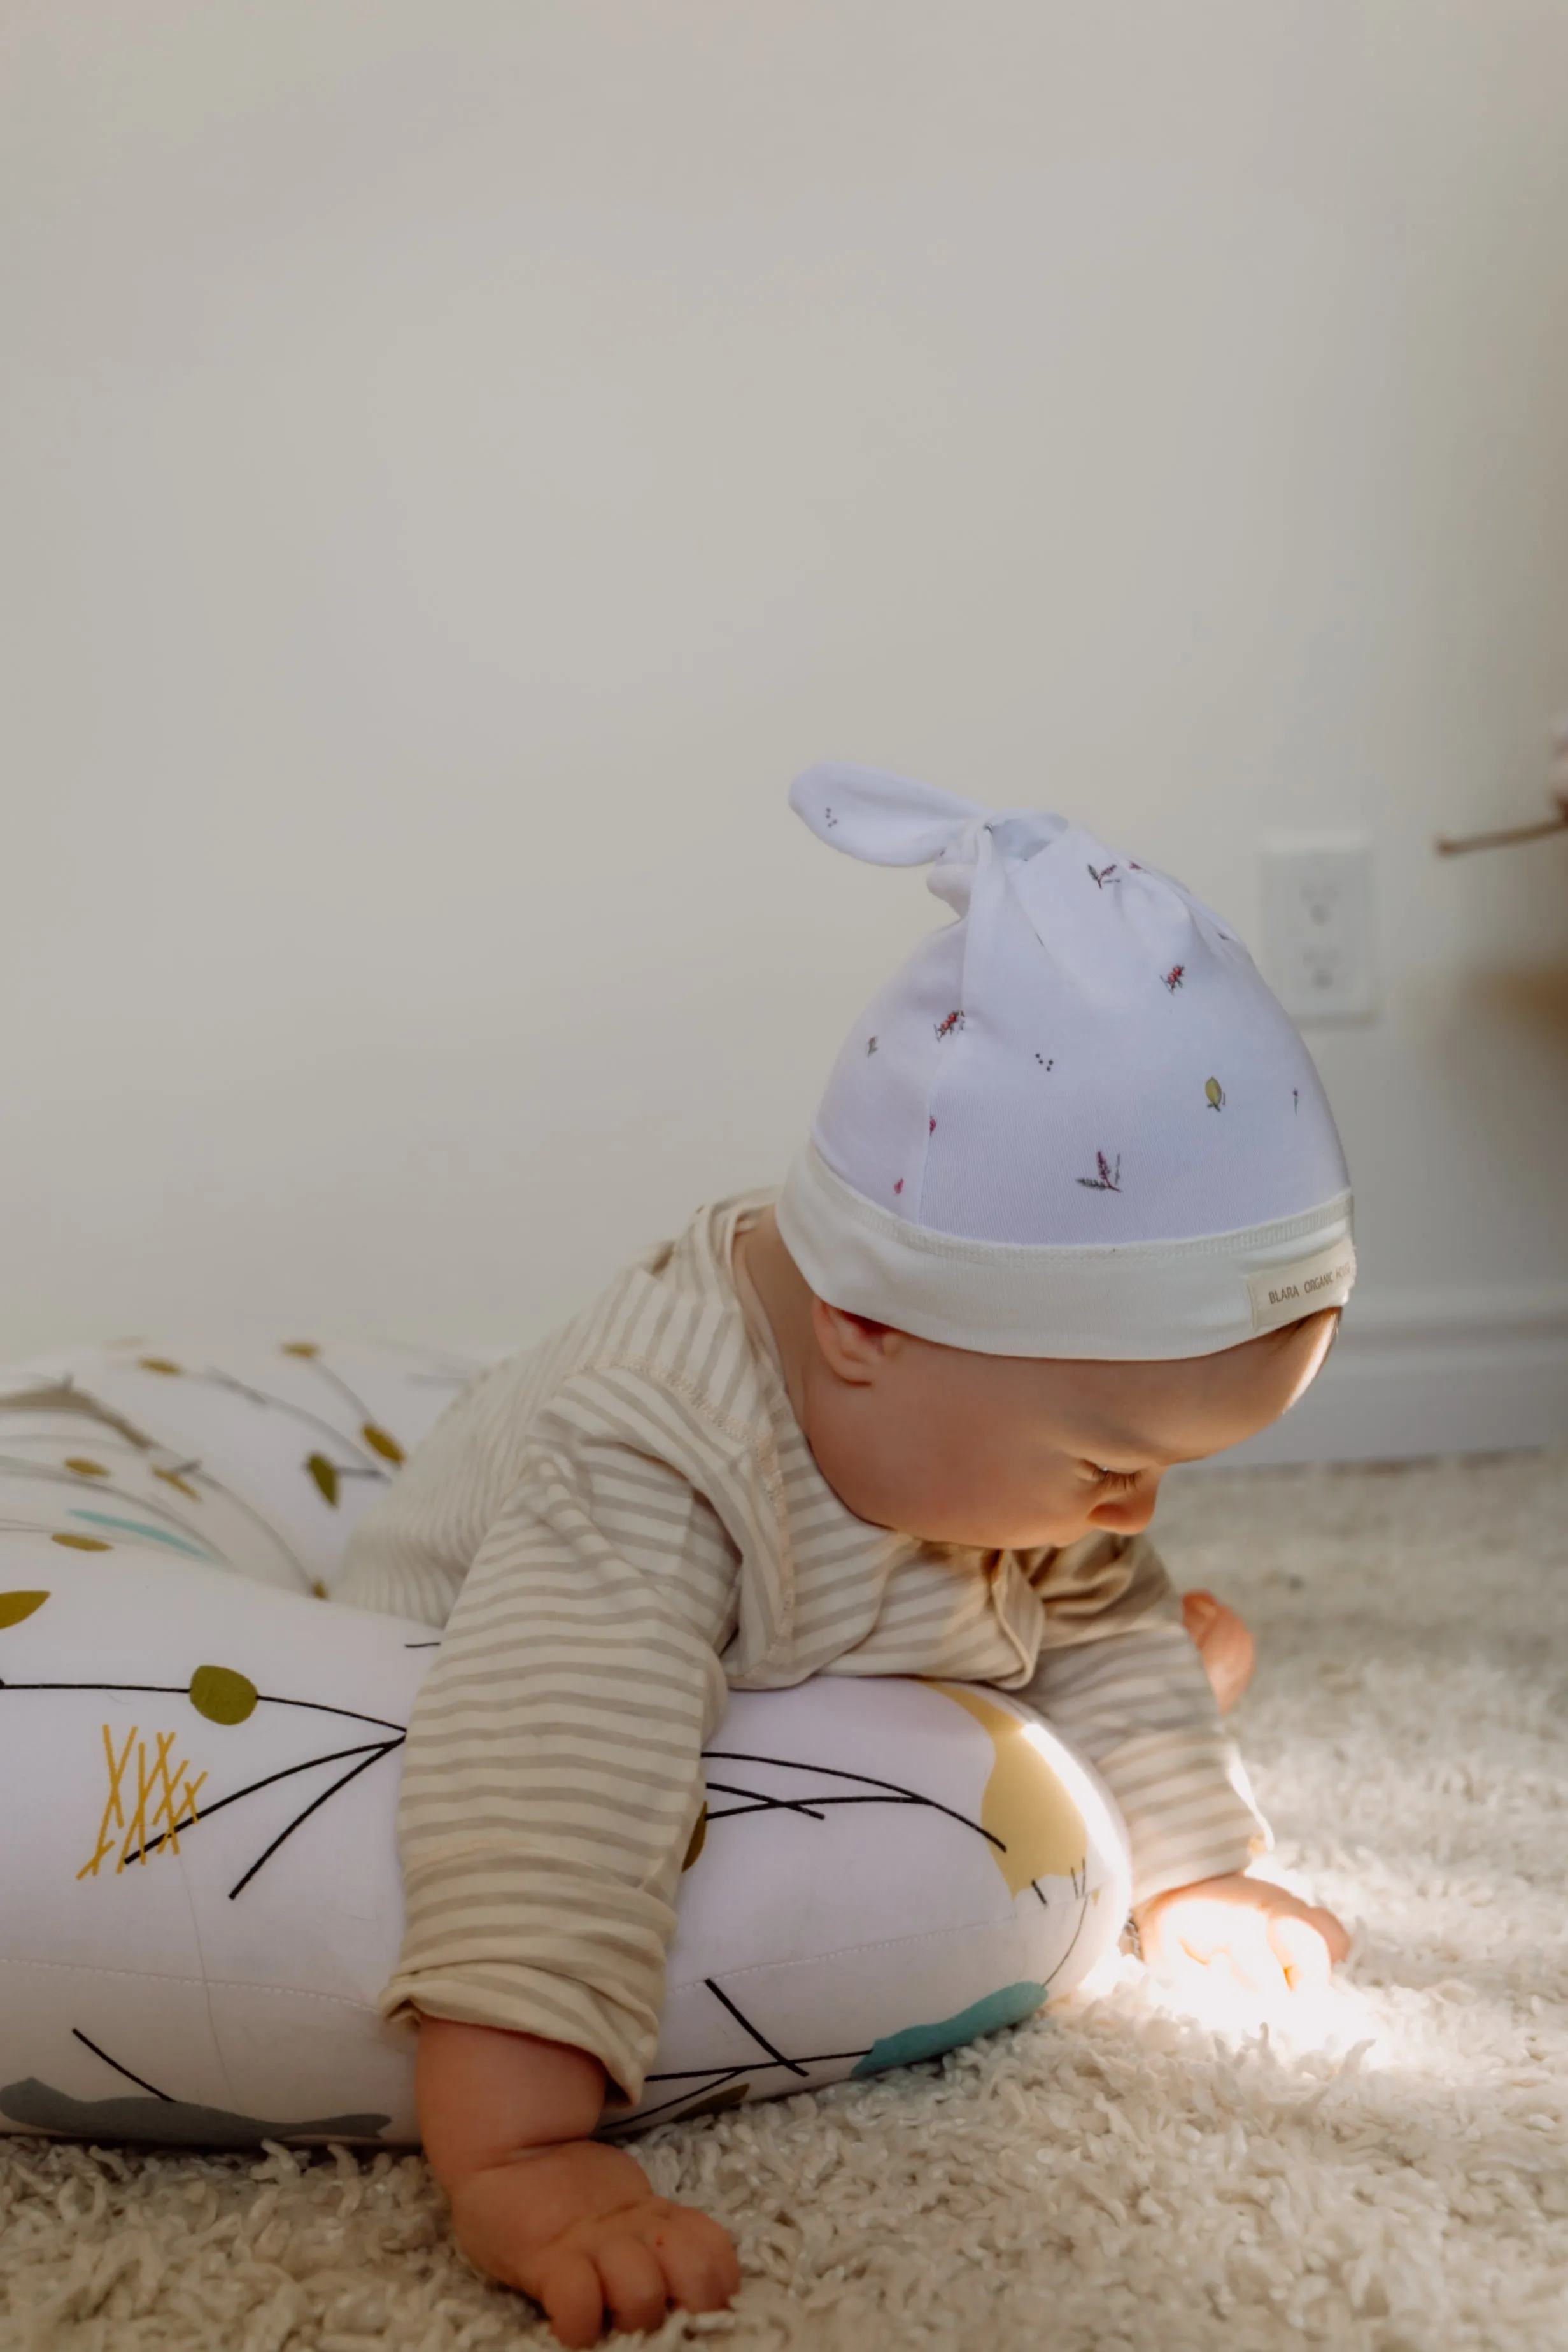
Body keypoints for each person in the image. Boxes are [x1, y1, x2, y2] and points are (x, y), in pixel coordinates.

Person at [337, 763, 1355, 2348]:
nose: (1136, 1513)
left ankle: (1063, 1684)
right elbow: (552, 1778)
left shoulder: (956, 1396)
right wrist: (522, 2146)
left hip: (813, 1604)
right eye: (1110, 1462)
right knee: (677, 1697)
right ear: (862, 1326)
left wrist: (1196, 1857)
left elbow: (1104, 1595)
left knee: (1089, 1604)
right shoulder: (654, 1443)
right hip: (467, 1644)